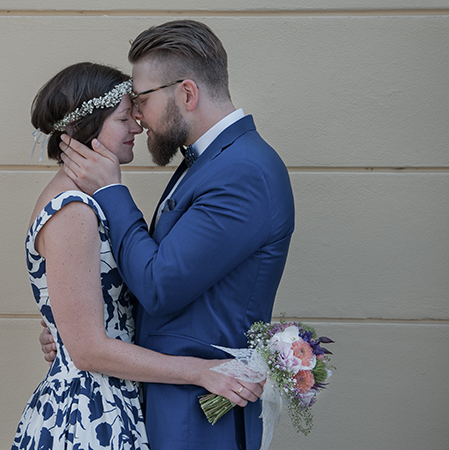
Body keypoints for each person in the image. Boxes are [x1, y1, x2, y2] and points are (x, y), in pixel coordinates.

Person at [50, 20, 295, 450]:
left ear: (186, 93)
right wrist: (79, 332)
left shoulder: (244, 172)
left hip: (197, 416)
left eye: (142, 99)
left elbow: (160, 285)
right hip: (169, 402)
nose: (138, 116)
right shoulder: (208, 162)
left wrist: (110, 191)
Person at [11, 62, 263, 450]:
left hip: (113, 402)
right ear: (86, 129)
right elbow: (89, 349)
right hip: (88, 417)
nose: (138, 127)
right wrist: (203, 372)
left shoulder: (89, 202)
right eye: (124, 117)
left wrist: (61, 334)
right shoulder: (73, 211)